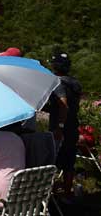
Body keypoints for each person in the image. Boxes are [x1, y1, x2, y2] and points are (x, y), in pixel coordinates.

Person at [47, 52, 82, 198]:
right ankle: (67, 194)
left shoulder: (57, 82)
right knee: (69, 162)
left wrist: (59, 126)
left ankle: (49, 195)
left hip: (60, 129)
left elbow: (63, 105)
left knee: (51, 161)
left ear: (55, 66)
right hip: (73, 127)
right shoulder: (75, 83)